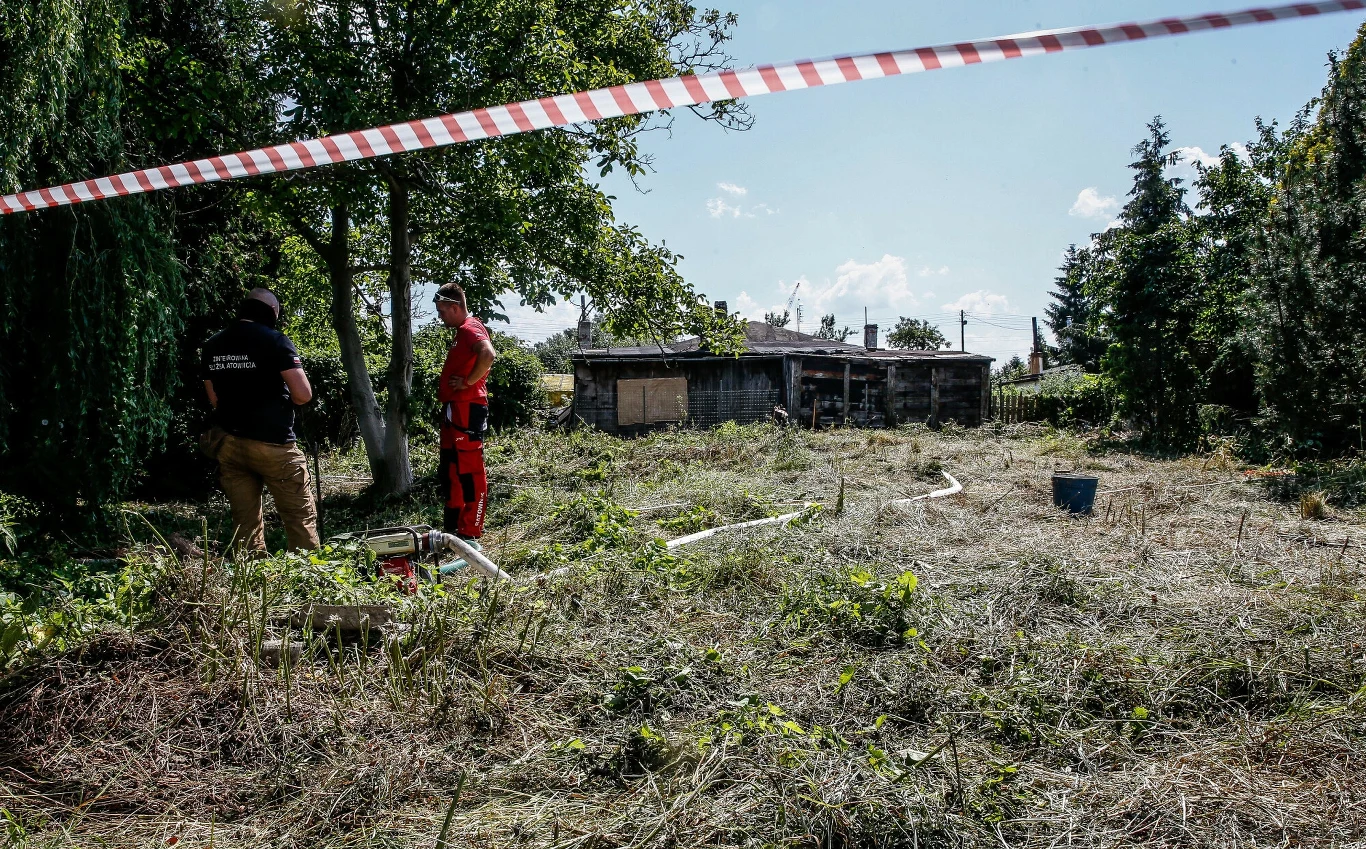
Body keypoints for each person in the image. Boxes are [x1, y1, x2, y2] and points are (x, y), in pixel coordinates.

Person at [201, 288, 319, 552]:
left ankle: (250, 578)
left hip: (231, 444)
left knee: (245, 523)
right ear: (271, 312)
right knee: (299, 517)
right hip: (274, 445)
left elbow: (215, 399)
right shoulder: (275, 340)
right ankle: (308, 577)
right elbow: (303, 395)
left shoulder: (213, 344)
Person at [433, 282, 497, 540]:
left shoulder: (471, 329)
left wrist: (468, 382)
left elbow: (488, 355)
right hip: (453, 409)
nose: (440, 317)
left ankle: (471, 530)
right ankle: (454, 526)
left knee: (470, 471)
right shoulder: (461, 331)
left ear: (455, 306)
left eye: (442, 311)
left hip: (468, 409)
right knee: (451, 468)